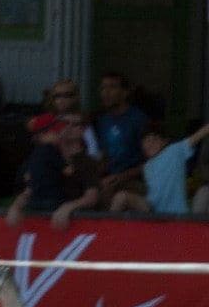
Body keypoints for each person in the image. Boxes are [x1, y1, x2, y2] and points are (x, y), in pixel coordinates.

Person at [5, 111, 101, 230]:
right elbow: (31, 188)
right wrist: (16, 207)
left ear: (82, 130)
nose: (68, 127)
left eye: (75, 124)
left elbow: (92, 197)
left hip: (77, 226)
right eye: (64, 123)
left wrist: (68, 207)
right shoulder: (43, 155)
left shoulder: (87, 162)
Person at [109, 123, 209, 215]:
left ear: (164, 141)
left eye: (154, 140)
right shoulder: (147, 166)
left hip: (176, 214)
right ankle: (107, 231)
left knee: (205, 191)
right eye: (146, 141)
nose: (150, 144)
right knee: (121, 197)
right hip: (153, 212)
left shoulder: (175, 151)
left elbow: (200, 134)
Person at [94, 72, 149, 207]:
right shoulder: (103, 121)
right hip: (109, 178)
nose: (106, 92)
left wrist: (121, 177)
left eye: (112, 87)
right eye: (103, 88)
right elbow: (103, 156)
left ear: (125, 93)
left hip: (134, 180)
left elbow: (152, 161)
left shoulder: (138, 119)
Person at [26, 78, 100, 159]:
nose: (61, 99)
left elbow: (93, 151)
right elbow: (30, 127)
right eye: (57, 96)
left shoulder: (83, 121)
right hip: (48, 159)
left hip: (71, 161)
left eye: (67, 95)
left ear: (75, 98)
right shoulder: (49, 118)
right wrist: (42, 138)